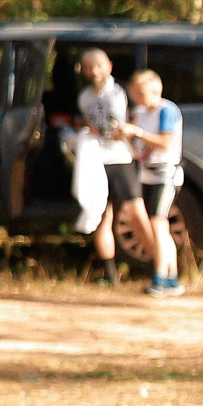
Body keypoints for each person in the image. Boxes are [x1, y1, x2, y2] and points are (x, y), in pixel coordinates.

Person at [71, 49, 140, 285]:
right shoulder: (84, 97)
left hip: (122, 158)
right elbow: (83, 122)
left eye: (98, 65)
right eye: (89, 67)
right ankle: (111, 275)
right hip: (96, 161)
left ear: (109, 65)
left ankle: (160, 268)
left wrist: (130, 133)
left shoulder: (122, 91)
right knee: (102, 215)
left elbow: (138, 119)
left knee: (135, 214)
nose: (94, 71)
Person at [126, 69, 186, 299]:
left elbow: (164, 142)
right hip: (146, 173)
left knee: (158, 223)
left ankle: (160, 276)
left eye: (141, 93)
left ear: (155, 90)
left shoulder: (166, 111)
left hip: (166, 174)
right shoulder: (140, 112)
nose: (138, 98)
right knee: (160, 226)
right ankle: (171, 277)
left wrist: (137, 132)